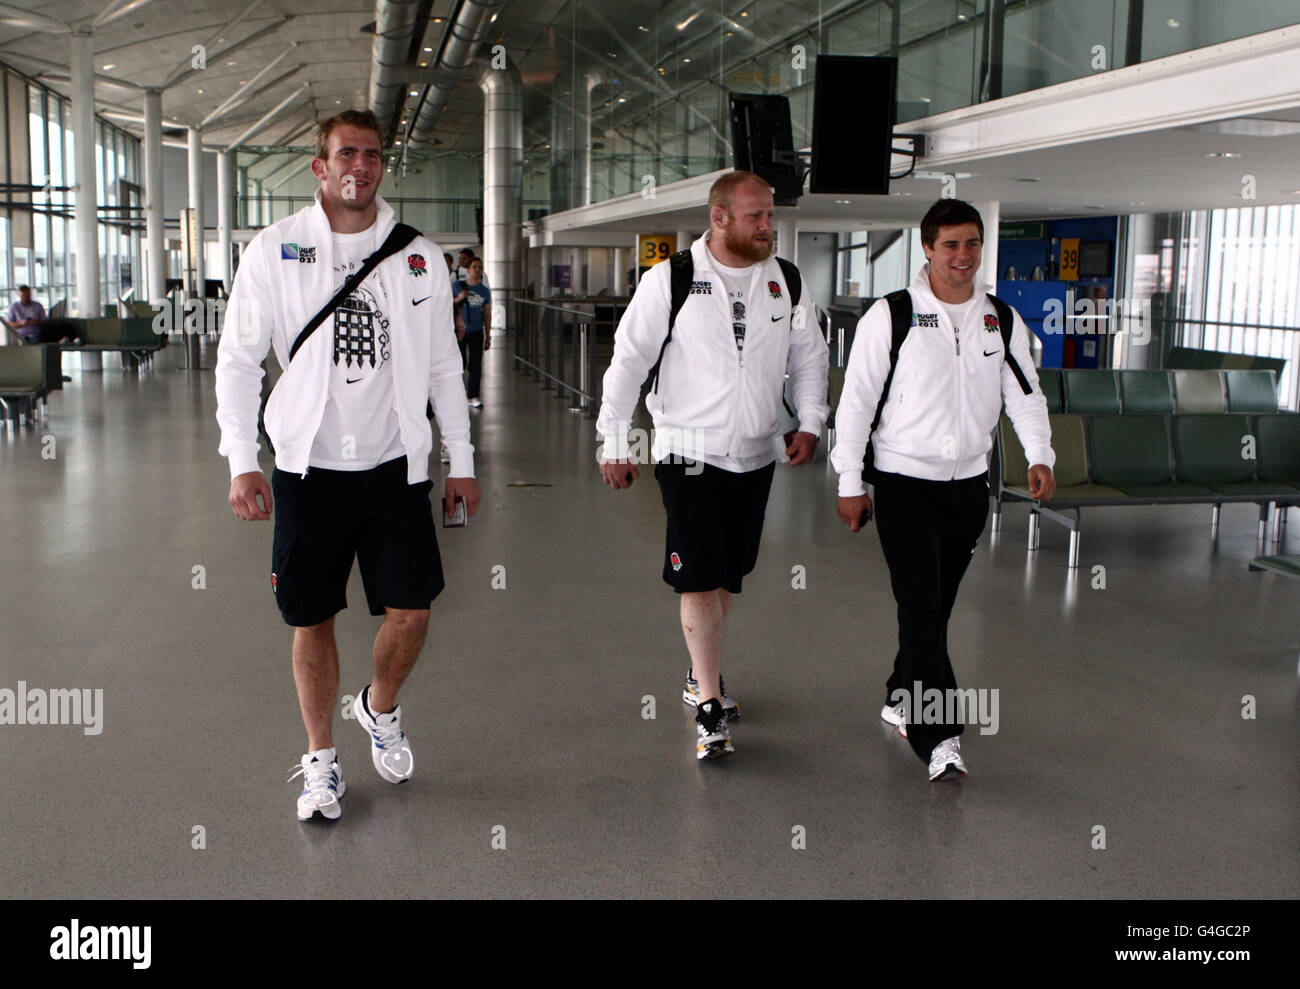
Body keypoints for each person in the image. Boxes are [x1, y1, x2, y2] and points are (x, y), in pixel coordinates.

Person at [214, 109, 482, 823]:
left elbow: (443, 366)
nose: (359, 166)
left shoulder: (418, 254)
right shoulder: (276, 250)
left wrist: (461, 458)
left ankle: (378, 705)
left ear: (380, 165)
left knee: (413, 611)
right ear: (320, 166)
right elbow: (239, 360)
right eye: (345, 153)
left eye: (371, 154)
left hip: (396, 468)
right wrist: (244, 459)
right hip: (308, 469)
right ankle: (322, 761)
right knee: (313, 616)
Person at [596, 169, 829, 761]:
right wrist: (615, 439)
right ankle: (708, 703)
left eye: (771, 216)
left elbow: (809, 358)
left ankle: (701, 672)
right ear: (719, 217)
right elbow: (628, 363)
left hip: (756, 453)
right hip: (688, 450)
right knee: (698, 575)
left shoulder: (786, 281)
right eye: (756, 217)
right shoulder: (671, 279)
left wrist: (809, 420)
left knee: (728, 576)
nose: (767, 227)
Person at [829, 198, 1056, 782]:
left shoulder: (999, 318)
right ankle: (940, 736)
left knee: (937, 608)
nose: (963, 256)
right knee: (923, 607)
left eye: (972, 244)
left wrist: (1039, 455)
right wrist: (850, 481)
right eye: (950, 244)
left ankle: (899, 691)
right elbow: (855, 402)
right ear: (927, 248)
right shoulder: (892, 315)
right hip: (903, 483)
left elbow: (1025, 394)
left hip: (967, 490)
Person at [459, 257, 491, 408]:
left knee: (475, 364)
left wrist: (488, 334)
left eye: (480, 267)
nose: (477, 270)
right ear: (468, 269)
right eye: (474, 267)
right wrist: (459, 298)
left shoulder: (484, 291)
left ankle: (473, 395)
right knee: (459, 364)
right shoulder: (457, 286)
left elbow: (487, 313)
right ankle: (456, 394)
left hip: (477, 331)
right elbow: (446, 306)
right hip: (459, 331)